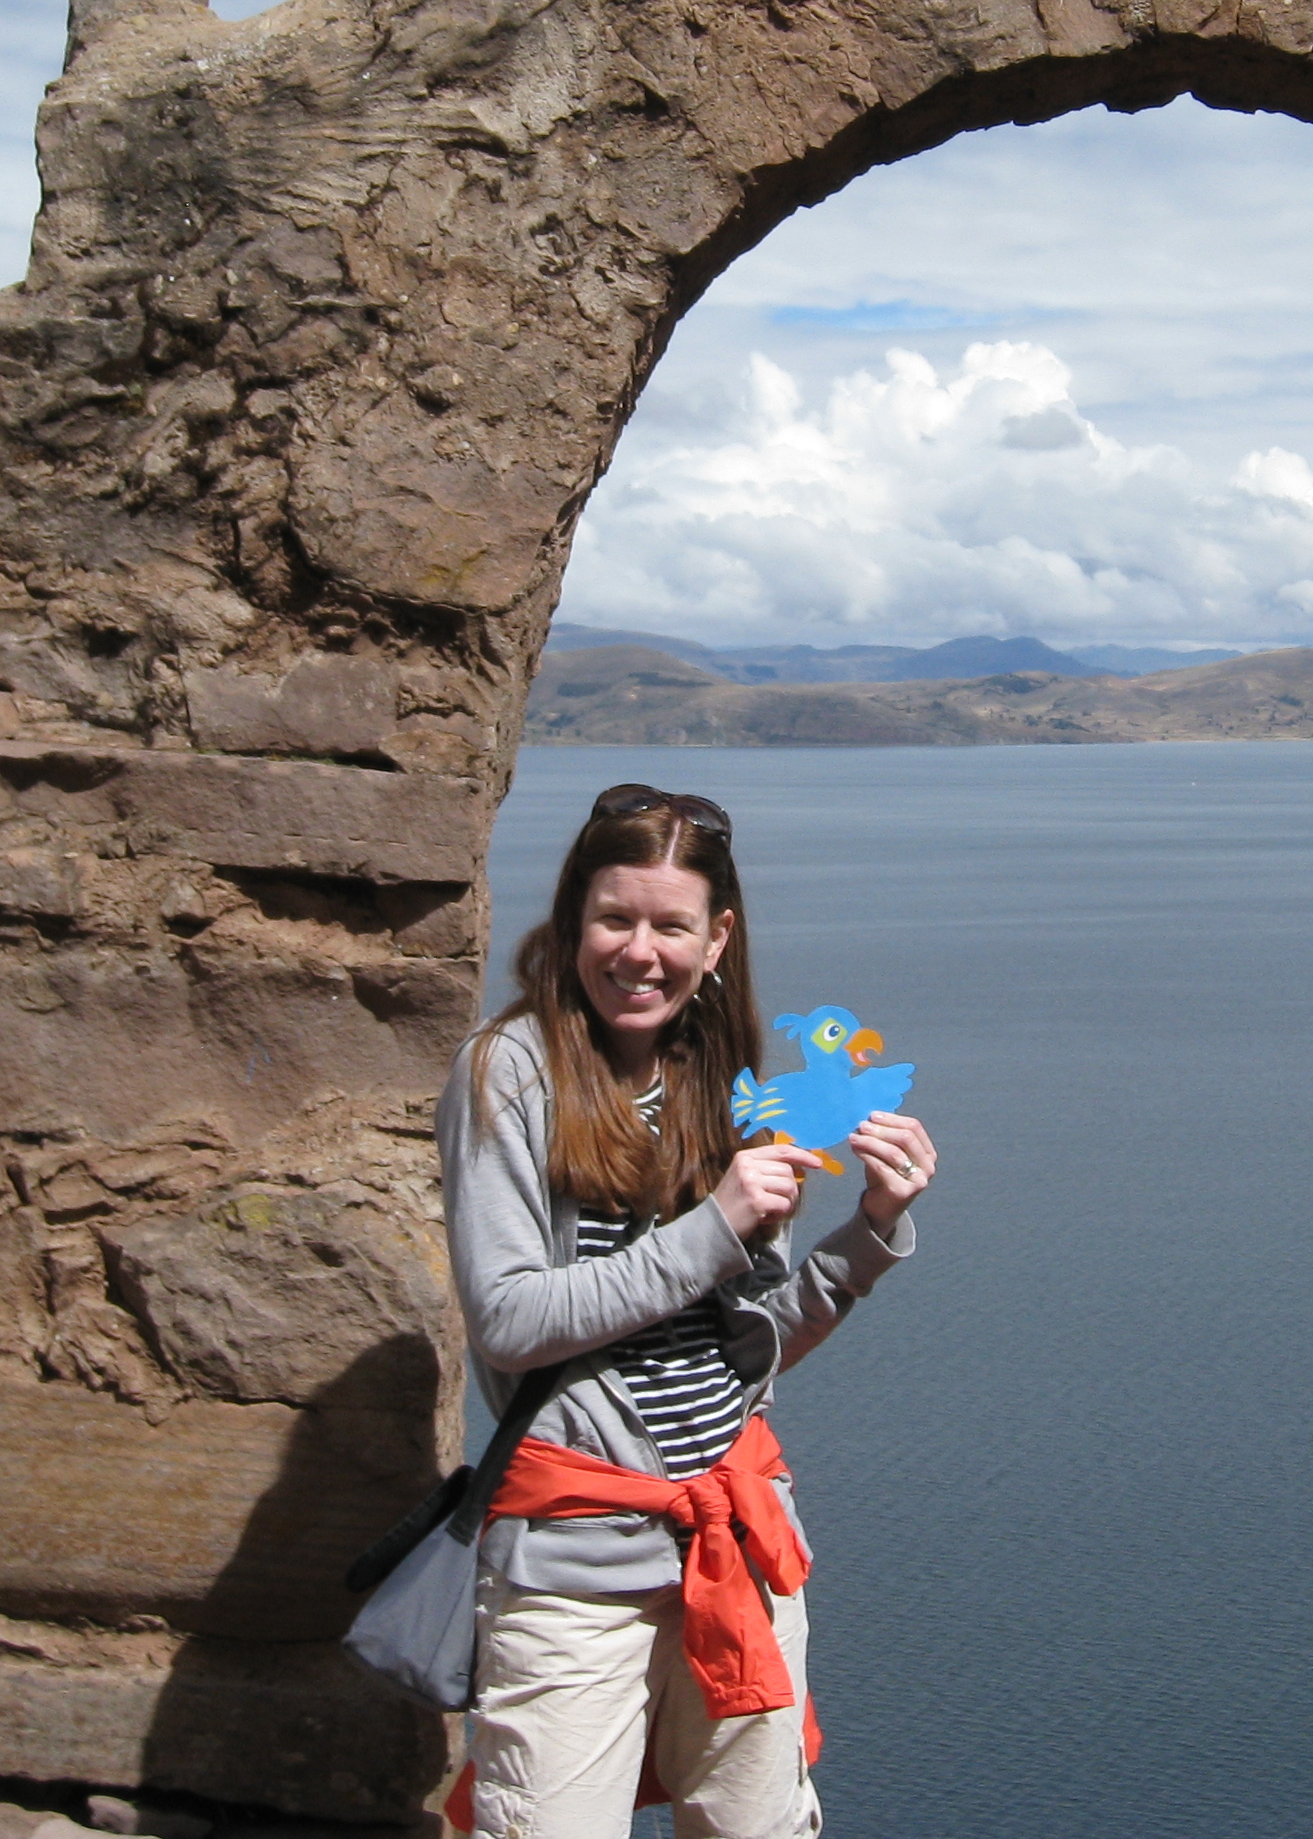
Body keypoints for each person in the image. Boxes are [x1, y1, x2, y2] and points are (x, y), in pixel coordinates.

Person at [438, 781, 937, 1839]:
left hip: (738, 1541)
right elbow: (509, 1322)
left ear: (718, 939)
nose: (640, 952)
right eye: (616, 918)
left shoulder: (726, 1085)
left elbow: (749, 1351)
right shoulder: (509, 1073)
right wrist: (713, 1225)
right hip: (574, 1564)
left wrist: (876, 1231)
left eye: (671, 926)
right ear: (574, 917)